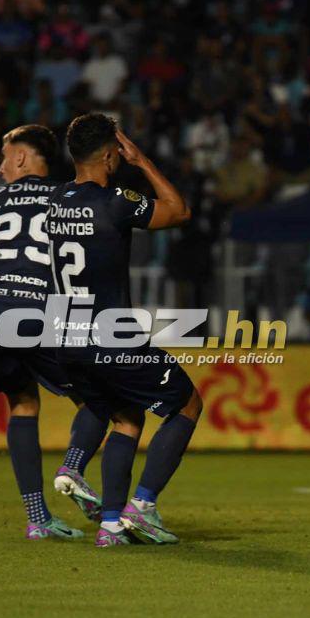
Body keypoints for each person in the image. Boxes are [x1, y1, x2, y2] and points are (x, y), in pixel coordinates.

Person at [45, 114, 203, 548]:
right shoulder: (114, 199)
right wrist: (144, 162)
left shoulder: (56, 200)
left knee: (127, 417)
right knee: (186, 403)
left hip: (65, 339)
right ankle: (144, 507)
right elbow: (179, 211)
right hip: (110, 334)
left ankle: (112, 524)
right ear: (112, 155)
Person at [0, 124, 117, 540]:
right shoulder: (65, 196)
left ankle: (37, 519)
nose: (0, 168)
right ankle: (72, 466)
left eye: (4, 157)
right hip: (39, 309)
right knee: (101, 395)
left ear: (20, 157)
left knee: (21, 405)